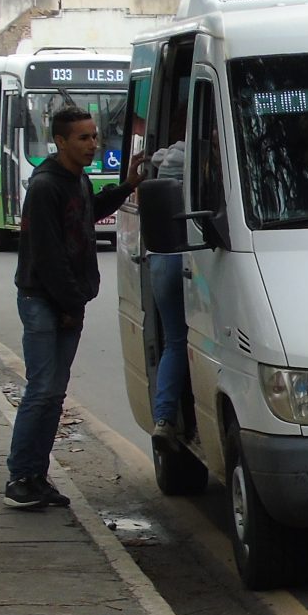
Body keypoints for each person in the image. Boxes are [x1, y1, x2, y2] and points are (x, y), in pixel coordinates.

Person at [5, 105, 143, 510]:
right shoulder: (46, 186)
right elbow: (47, 257)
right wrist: (69, 304)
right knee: (42, 390)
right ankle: (20, 474)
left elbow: (88, 215)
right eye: (83, 138)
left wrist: (127, 186)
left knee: (54, 393)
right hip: (43, 302)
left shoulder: (77, 180)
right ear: (60, 141)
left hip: (67, 302)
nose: (92, 145)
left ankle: (36, 474)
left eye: (94, 136)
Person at [146, 135, 189, 440]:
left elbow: (155, 158)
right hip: (182, 256)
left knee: (173, 341)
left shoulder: (168, 156)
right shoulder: (192, 156)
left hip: (158, 257)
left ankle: (165, 418)